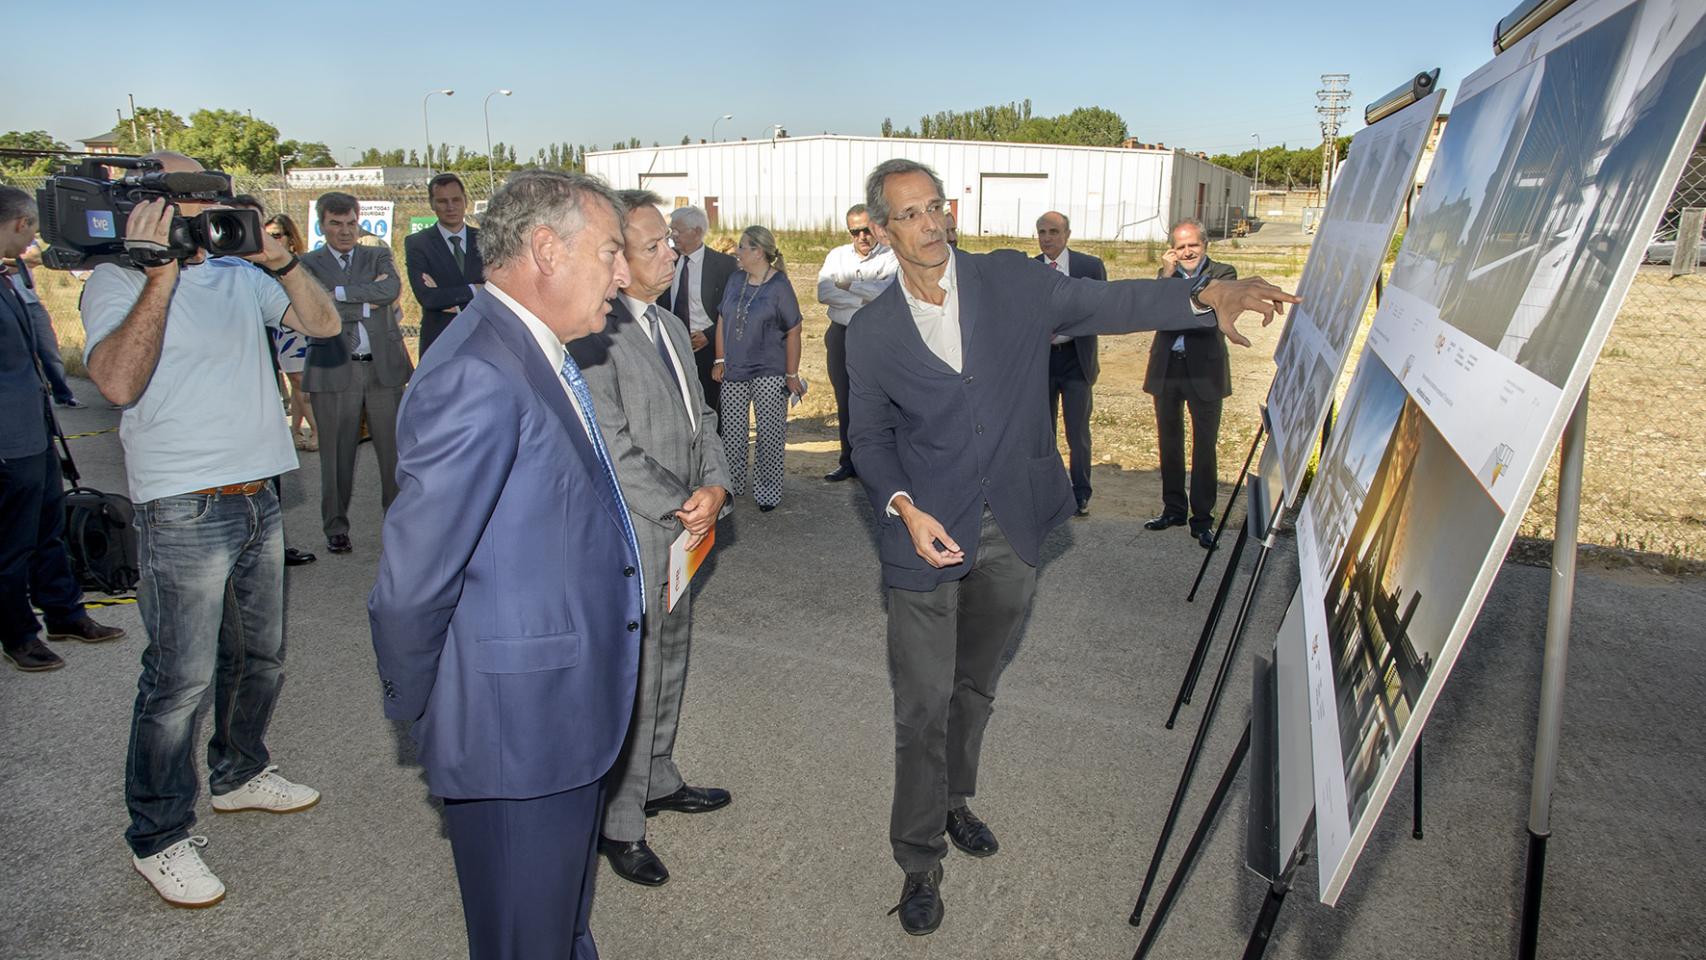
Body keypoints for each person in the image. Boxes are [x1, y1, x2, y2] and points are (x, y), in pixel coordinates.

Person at [844, 159, 1296, 935]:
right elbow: (869, 438)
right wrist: (903, 507)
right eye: (909, 214)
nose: (928, 224)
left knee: (974, 685)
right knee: (921, 704)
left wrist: (1201, 295)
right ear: (882, 231)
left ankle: (954, 800)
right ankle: (919, 860)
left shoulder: (1009, 281)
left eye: (935, 207)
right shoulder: (872, 330)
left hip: (1012, 525)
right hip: (923, 536)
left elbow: (1107, 302)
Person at [370, 170, 643, 959]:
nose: (623, 276)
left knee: (556, 923)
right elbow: (411, 585)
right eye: (611, 253)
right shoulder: (479, 372)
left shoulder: (527, 347)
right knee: (526, 938)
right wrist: (434, 713)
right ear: (547, 250)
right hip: (516, 730)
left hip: (559, 718)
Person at [78, 153, 341, 908]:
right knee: (179, 680)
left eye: (214, 195)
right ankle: (158, 835)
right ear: (153, 206)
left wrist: (280, 261)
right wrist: (160, 274)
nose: (209, 207)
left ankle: (240, 771)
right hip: (181, 504)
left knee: (259, 657)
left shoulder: (239, 274)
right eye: (191, 197)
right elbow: (117, 381)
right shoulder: (116, 280)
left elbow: (323, 325)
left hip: (260, 493)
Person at [567, 189, 733, 888]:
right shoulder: (594, 336)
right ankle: (620, 821)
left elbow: (704, 421)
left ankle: (659, 778)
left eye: (670, 240)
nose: (671, 253)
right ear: (616, 259)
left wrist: (716, 485)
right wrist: (682, 506)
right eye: (653, 245)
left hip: (685, 528)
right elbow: (613, 445)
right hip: (639, 532)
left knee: (671, 659)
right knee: (635, 676)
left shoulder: (667, 324)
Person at [0, 186, 124, 674]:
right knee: (13, 542)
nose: (33, 241)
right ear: (19, 223)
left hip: (34, 428)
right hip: (8, 440)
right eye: (32, 229)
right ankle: (18, 634)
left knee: (48, 528)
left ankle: (64, 613)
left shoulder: (11, 275)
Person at [300, 192, 410, 556]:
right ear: (322, 226)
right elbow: (315, 306)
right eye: (336, 224)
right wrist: (366, 303)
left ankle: (397, 523)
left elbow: (390, 290)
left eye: (351, 223)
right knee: (336, 456)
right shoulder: (307, 264)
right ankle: (335, 527)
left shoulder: (377, 254)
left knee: (393, 455)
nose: (346, 231)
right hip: (334, 370)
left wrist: (339, 294)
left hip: (382, 368)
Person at [1145, 218, 1239, 548]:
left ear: (1205, 245)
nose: (1187, 252)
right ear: (1172, 249)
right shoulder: (1166, 276)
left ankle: (1202, 520)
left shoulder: (1224, 274)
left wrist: (1176, 307)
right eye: (1180, 246)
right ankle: (1173, 509)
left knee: (1204, 447)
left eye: (1193, 245)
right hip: (1167, 368)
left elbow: (1210, 316)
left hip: (1205, 371)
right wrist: (1167, 275)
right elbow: (1154, 311)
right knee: (1169, 443)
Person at [713, 226, 804, 512]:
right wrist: (719, 359)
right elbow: (722, 318)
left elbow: (794, 329)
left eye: (742, 247)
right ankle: (732, 487)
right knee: (732, 435)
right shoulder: (735, 279)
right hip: (734, 371)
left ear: (758, 251)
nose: (737, 252)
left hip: (770, 373)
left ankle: (767, 492)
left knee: (770, 435)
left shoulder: (779, 285)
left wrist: (791, 374)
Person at [816, 203, 898, 482]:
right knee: (845, 398)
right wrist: (863, 298)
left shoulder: (891, 255)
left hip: (878, 336)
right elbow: (824, 292)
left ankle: (879, 463)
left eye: (866, 230)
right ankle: (848, 461)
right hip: (842, 334)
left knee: (879, 400)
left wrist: (848, 284)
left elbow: (887, 293)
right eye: (855, 232)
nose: (862, 237)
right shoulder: (837, 256)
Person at [1034, 211, 1106, 517]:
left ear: (1067, 234)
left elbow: (1101, 309)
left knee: (1077, 431)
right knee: (1043, 432)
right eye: (1042, 232)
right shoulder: (1030, 269)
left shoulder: (1089, 267)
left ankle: (1080, 493)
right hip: (1042, 362)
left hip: (1077, 359)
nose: (1047, 238)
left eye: (1053, 231)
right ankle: (1048, 493)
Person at [661, 205, 736, 421]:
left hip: (708, 349)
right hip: (673, 346)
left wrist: (710, 336)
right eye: (671, 230)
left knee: (711, 409)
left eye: (678, 230)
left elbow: (734, 312)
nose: (673, 236)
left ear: (696, 231)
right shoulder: (666, 261)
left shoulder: (725, 265)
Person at [405, 173, 484, 357]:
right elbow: (428, 298)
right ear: (432, 204)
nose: (450, 207)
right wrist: (475, 289)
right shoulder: (418, 243)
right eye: (442, 201)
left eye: (456, 200)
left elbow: (498, 291)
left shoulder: (485, 239)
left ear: (465, 201)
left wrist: (450, 302)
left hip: (482, 337)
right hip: (439, 339)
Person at [264, 214, 318, 450]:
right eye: (266, 236)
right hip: (282, 331)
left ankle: (316, 431)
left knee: (300, 382)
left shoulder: (302, 265)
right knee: (296, 380)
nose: (271, 240)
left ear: (291, 238)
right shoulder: (263, 267)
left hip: (303, 327)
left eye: (276, 235)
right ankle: (297, 431)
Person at [6, 241, 81, 407]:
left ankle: (63, 395)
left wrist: (7, 261)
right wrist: (18, 261)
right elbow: (23, 262)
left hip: (31, 303)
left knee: (49, 351)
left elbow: (35, 257)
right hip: (8, 303)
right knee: (17, 354)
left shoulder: (18, 235)